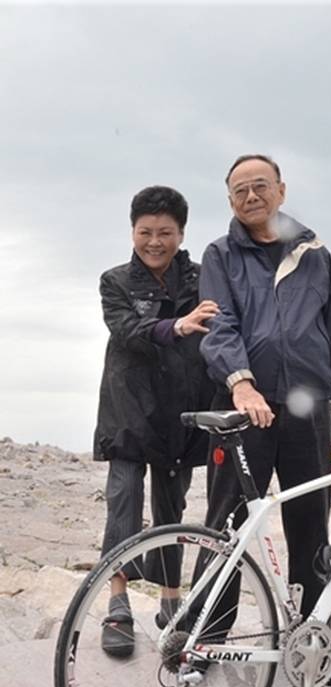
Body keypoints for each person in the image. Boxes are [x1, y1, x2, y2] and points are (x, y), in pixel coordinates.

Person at [195, 154, 331, 687]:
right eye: (240, 190)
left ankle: (310, 643)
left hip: (308, 412)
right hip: (246, 410)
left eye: (260, 185)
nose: (251, 196)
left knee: (312, 526)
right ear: (230, 200)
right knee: (226, 527)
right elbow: (218, 325)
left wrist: (330, 394)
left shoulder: (315, 253)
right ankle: (205, 638)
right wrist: (240, 382)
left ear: (281, 190)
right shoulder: (219, 254)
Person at [94, 185, 218, 656]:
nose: (154, 242)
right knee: (123, 501)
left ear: (181, 233)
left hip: (179, 410)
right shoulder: (115, 282)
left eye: (165, 232)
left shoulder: (204, 279)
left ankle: (170, 603)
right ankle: (118, 603)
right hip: (127, 408)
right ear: (133, 231)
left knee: (172, 508)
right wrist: (176, 326)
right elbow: (127, 331)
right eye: (145, 232)